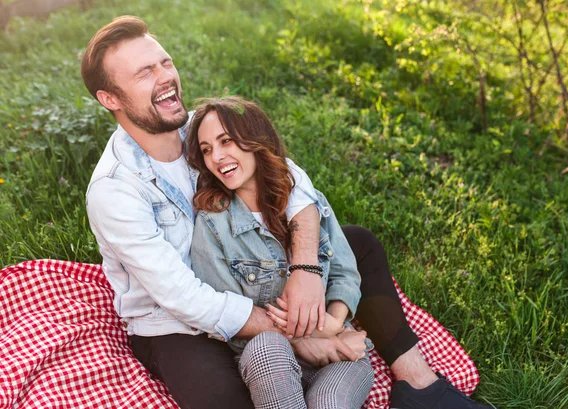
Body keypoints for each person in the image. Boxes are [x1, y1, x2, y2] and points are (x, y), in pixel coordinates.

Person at [81, 15, 494, 409]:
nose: (165, 77)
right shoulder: (115, 191)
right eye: (144, 73)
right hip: (179, 323)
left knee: (359, 243)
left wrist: (306, 268)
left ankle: (419, 384)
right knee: (222, 399)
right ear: (110, 99)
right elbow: (182, 297)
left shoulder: (201, 128)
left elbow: (290, 178)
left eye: (164, 62)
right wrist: (304, 334)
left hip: (259, 274)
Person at [186, 96, 374, 409]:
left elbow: (344, 272)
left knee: (330, 403)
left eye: (226, 141)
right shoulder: (212, 225)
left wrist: (337, 324)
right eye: (207, 149)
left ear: (255, 139)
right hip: (270, 359)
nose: (217, 157)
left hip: (340, 351)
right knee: (266, 345)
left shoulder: (308, 203)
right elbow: (233, 318)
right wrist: (319, 333)